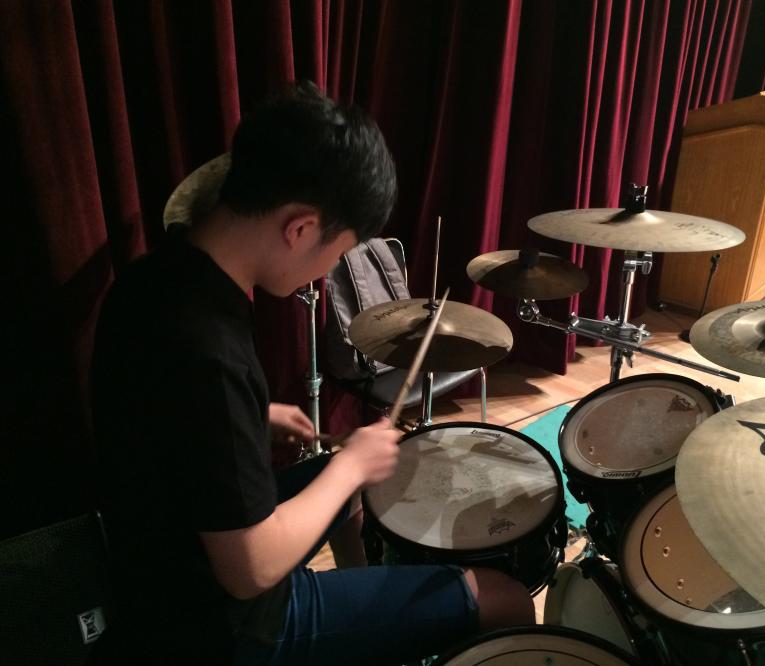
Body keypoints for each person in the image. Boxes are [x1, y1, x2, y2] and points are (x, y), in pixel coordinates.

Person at [91, 81, 533, 665]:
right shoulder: (210, 346)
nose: (327, 271)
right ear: (299, 228)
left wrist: (256, 416)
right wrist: (350, 464)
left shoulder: (154, 279)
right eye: (338, 251)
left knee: (352, 490)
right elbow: (250, 570)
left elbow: (167, 421)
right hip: (215, 627)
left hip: (154, 559)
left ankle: (361, 634)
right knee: (504, 599)